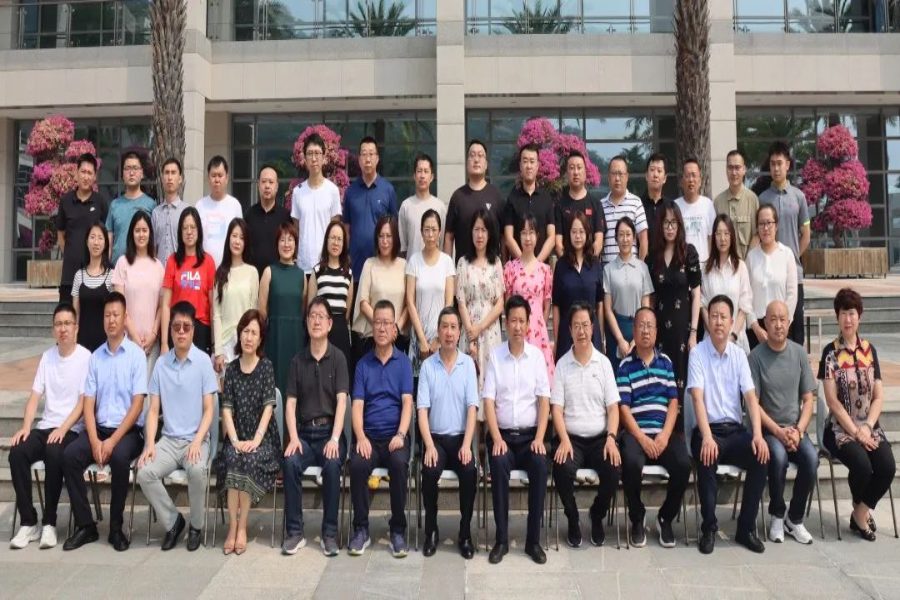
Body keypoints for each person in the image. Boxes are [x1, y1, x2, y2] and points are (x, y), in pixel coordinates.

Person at [62, 292, 147, 552]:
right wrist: (95, 440)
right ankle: (86, 525)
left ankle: (116, 528)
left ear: (125, 318)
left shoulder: (136, 356)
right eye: (107, 315)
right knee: (69, 456)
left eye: (116, 315)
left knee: (120, 459)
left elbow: (137, 405)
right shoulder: (96, 357)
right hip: (99, 429)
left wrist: (112, 441)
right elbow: (88, 404)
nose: (111, 320)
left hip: (128, 432)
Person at [688, 294, 769, 555]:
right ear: (707, 321)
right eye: (714, 316)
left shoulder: (739, 356)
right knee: (706, 455)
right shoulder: (697, 354)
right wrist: (707, 436)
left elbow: (751, 398)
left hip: (734, 431)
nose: (718, 322)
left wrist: (758, 434)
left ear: (732, 322)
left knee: (760, 457)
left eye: (723, 317)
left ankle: (745, 528)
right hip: (707, 429)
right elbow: (697, 398)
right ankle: (709, 528)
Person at [8, 303, 91, 550]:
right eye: (58, 324)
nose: (63, 329)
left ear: (76, 328)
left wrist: (63, 429)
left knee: (54, 452)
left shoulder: (85, 357)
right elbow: (35, 396)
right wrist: (26, 427)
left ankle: (49, 522)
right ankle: (29, 521)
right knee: (17, 452)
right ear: (53, 329)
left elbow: (83, 403)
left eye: (67, 324)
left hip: (72, 429)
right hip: (46, 426)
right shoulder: (47, 357)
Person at [136, 301, 217, 552]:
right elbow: (153, 411)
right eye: (176, 327)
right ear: (170, 330)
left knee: (197, 470)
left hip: (196, 438)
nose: (181, 332)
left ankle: (196, 526)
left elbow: (209, 410)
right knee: (144, 472)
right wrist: (150, 444)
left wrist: (198, 441)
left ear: (193, 330)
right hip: (169, 440)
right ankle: (173, 522)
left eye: (186, 327)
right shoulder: (161, 364)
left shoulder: (203, 362)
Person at [819, 288, 896, 541]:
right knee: (862, 465)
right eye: (843, 314)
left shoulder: (869, 350)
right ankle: (861, 516)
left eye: (852, 313)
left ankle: (860, 512)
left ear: (859, 316)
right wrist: (855, 432)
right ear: (837, 317)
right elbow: (832, 402)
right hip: (839, 429)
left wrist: (867, 427)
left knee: (887, 466)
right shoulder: (830, 353)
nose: (848, 319)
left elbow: (878, 397)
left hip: (869, 426)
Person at [483, 295, 551, 565]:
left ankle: (533, 541)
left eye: (522, 321)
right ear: (505, 323)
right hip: (502, 436)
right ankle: (501, 540)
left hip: (530, 436)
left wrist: (540, 438)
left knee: (540, 464)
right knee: (498, 463)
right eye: (513, 321)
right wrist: (496, 437)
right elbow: (488, 401)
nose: (518, 326)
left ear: (528, 323)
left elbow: (544, 401)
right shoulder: (495, 357)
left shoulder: (536, 358)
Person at [617, 308, 691, 548]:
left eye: (650, 326)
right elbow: (623, 408)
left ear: (657, 331)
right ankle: (637, 517)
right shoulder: (625, 365)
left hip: (662, 433)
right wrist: (642, 438)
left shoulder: (666, 363)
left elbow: (673, 402)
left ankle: (665, 517)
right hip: (635, 434)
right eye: (641, 325)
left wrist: (664, 435)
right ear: (634, 330)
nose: (645, 330)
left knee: (683, 464)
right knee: (630, 462)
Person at [282, 296, 349, 557]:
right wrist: (293, 437)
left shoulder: (338, 358)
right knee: (290, 462)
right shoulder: (297, 361)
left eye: (321, 316)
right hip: (305, 435)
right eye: (312, 316)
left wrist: (335, 439)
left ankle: (329, 533)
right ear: (307, 322)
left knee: (332, 465)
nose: (316, 321)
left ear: (330, 324)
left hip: (330, 433)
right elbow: (290, 404)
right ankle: (295, 532)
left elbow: (342, 402)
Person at [348, 300, 414, 558]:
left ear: (394, 327)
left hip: (395, 437)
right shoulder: (363, 364)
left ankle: (397, 529)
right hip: (370, 437)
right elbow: (357, 406)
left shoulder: (403, 363)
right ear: (372, 326)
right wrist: (360, 437)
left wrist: (401, 434)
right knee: (357, 464)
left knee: (398, 464)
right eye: (378, 323)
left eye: (387, 323)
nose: (382, 328)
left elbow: (407, 404)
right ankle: (361, 529)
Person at [552, 302, 621, 549]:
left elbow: (613, 408)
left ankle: (597, 514)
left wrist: (611, 438)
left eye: (585, 325)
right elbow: (556, 409)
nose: (581, 331)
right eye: (576, 326)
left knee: (614, 468)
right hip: (571, 438)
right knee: (561, 468)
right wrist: (564, 439)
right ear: (570, 330)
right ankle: (572, 517)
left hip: (600, 438)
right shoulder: (562, 365)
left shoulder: (603, 363)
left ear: (592, 328)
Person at [749, 300, 817, 545]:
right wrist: (778, 431)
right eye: (773, 320)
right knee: (777, 457)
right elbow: (754, 404)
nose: (778, 325)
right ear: (765, 323)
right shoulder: (755, 357)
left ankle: (794, 518)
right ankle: (777, 514)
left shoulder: (799, 353)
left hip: (795, 429)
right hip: (769, 430)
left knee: (811, 459)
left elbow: (808, 400)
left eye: (782, 319)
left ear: (789, 322)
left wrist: (798, 430)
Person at [417, 307, 479, 559]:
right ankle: (431, 530)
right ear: (438, 331)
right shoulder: (428, 366)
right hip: (437, 441)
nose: (449, 332)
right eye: (445, 327)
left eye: (454, 327)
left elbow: (472, 408)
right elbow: (422, 410)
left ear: (459, 332)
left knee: (469, 471)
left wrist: (467, 445)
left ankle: (465, 533)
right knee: (429, 471)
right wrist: (429, 446)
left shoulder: (468, 365)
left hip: (461, 439)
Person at [217, 309, 281, 556]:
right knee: (233, 458)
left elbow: (268, 408)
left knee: (250, 459)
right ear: (239, 334)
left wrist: (255, 440)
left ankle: (242, 526)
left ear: (260, 338)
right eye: (245, 331)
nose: (249, 337)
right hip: (236, 436)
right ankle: (232, 527)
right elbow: (226, 409)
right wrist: (234, 440)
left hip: (262, 440)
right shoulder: (231, 370)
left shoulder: (266, 367)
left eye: (254, 333)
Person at [648, 200, 701, 402]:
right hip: (660, 327)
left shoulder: (688, 252)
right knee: (660, 377)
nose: (670, 228)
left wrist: (693, 333)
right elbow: (650, 296)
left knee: (682, 378)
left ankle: (682, 421)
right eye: (666, 223)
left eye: (674, 223)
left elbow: (696, 295)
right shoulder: (654, 256)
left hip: (682, 330)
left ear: (679, 225)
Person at [759, 141, 810, 346]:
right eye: (772, 164)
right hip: (768, 276)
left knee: (795, 330)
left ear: (788, 165)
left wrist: (791, 258)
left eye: (780, 163)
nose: (776, 168)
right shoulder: (762, 198)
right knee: (771, 327)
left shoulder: (799, 197)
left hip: (794, 275)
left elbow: (806, 235)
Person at [456, 209, 504, 392]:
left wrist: (480, 327)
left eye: (484, 230)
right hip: (469, 332)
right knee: (469, 383)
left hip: (490, 332)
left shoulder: (496, 262)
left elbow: (500, 303)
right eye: (476, 229)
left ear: (489, 233)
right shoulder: (462, 263)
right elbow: (461, 302)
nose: (480, 235)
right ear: (471, 232)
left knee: (491, 384)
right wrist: (472, 333)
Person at [503, 213, 554, 384]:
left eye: (531, 233)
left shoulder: (545, 270)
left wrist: (539, 326)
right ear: (518, 236)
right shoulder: (510, 268)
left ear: (537, 236)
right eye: (523, 233)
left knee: (540, 382)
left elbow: (547, 305)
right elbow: (507, 303)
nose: (527, 238)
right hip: (517, 330)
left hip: (538, 332)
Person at [352, 216, 409, 368]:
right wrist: (382, 326)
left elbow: (409, 304)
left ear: (395, 238)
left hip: (398, 338)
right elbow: (363, 302)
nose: (384, 241)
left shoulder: (404, 265)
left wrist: (395, 328)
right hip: (372, 338)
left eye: (389, 236)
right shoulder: (369, 264)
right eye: (381, 236)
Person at [113, 211, 165, 375]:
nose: (141, 235)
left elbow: (161, 307)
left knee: (149, 389)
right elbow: (119, 306)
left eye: (144, 230)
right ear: (131, 234)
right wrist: (134, 337)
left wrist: (153, 335)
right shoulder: (122, 263)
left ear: (150, 233)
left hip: (152, 343)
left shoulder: (158, 266)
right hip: (127, 341)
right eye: (137, 230)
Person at [259, 222, 306, 399]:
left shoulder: (302, 275)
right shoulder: (269, 272)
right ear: (277, 244)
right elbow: (262, 312)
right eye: (282, 240)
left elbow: (303, 309)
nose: (286, 244)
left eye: (290, 239)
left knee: (295, 385)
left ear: (296, 244)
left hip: (295, 338)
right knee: (275, 385)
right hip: (275, 338)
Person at [344, 137, 398, 288]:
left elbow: (394, 228)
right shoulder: (350, 192)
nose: (367, 159)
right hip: (356, 266)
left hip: (382, 266)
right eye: (364, 154)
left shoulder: (388, 190)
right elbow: (346, 228)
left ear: (377, 159)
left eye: (371, 154)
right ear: (359, 160)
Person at [407, 209, 456, 376]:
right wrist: (422, 339)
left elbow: (449, 303)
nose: (430, 234)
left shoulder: (447, 262)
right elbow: (410, 302)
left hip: (442, 338)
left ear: (439, 232)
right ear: (421, 232)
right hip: (418, 338)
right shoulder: (414, 261)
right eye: (426, 229)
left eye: (434, 229)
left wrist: (437, 338)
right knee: (419, 385)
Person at [161, 208, 215, 355]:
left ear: (199, 230)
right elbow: (165, 304)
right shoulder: (173, 261)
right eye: (185, 228)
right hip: (178, 328)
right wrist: (164, 343)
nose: (189, 232)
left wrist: (214, 343)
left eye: (193, 227)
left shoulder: (208, 261)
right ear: (180, 232)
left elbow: (212, 306)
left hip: (201, 328)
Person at [56, 153, 109, 305]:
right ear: (76, 174)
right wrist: (71, 254)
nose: (86, 177)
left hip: (93, 276)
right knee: (66, 315)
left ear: (95, 176)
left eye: (90, 173)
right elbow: (61, 234)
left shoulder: (100, 202)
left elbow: (106, 236)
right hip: (69, 275)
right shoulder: (65, 201)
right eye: (83, 172)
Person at [603, 217, 653, 372]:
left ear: (634, 237)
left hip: (639, 330)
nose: (625, 239)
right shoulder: (608, 269)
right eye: (621, 235)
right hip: (616, 330)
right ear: (616, 238)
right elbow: (607, 309)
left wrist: (637, 338)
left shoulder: (642, 268)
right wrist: (620, 339)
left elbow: (646, 306)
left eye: (628, 234)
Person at [552, 212, 604, 361]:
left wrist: (601, 337)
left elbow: (599, 304)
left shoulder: (595, 264)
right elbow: (556, 307)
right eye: (574, 232)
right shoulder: (561, 265)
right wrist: (556, 340)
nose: (578, 236)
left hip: (591, 333)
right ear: (568, 234)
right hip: (567, 334)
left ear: (587, 234)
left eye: (581, 231)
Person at [746, 205, 797, 351]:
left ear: (776, 226)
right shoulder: (751, 257)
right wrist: (756, 327)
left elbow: (792, 294)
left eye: (769, 223)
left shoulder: (787, 254)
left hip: (782, 327)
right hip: (757, 329)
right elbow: (746, 296)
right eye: (761, 224)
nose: (765, 228)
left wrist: (783, 324)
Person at [443, 139, 504, 262]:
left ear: (486, 164)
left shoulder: (495, 195)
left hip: (491, 268)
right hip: (464, 269)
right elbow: (449, 237)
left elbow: (503, 236)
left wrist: (503, 264)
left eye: (480, 155)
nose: (476, 160)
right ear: (467, 163)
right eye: (472, 155)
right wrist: (448, 269)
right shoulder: (457, 197)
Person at [291, 133, 342, 276]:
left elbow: (335, 229)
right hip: (303, 265)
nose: (314, 159)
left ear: (324, 157)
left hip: (326, 264)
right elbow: (296, 229)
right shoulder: (297, 192)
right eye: (310, 154)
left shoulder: (332, 191)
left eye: (317, 153)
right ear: (304, 158)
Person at [213, 218, 260, 375]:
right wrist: (218, 351)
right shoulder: (220, 273)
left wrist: (251, 340)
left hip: (246, 342)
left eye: (241, 237)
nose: (237, 241)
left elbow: (254, 312)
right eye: (234, 236)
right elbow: (216, 315)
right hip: (225, 345)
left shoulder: (252, 272)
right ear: (228, 239)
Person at [701, 214, 753, 355]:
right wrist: (713, 334)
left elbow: (745, 305)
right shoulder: (706, 269)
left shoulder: (740, 267)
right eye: (718, 234)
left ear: (732, 236)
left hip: (736, 340)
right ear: (713, 237)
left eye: (726, 233)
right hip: (711, 340)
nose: (722, 238)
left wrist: (732, 336)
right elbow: (703, 304)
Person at [308, 221, 353, 365]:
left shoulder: (348, 274)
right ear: (326, 240)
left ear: (344, 244)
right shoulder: (317, 272)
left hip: (340, 330)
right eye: (332, 238)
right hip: (320, 331)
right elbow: (310, 308)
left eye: (339, 239)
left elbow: (347, 312)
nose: (336, 243)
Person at [504, 144, 555, 262]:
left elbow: (551, 237)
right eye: (525, 161)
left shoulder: (546, 198)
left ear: (537, 166)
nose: (529, 166)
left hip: (542, 266)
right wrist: (524, 264)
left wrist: (536, 265)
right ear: (520, 166)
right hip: (518, 268)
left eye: (532, 161)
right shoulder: (512, 199)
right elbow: (508, 237)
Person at [106, 151, 156, 265]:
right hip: (116, 267)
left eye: (135, 168)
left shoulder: (150, 204)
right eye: (127, 168)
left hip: (142, 267)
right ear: (123, 174)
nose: (131, 172)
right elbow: (109, 241)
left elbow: (153, 240)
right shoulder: (115, 205)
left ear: (142, 174)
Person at [72, 222, 114, 352]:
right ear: (86, 241)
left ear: (105, 243)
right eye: (92, 237)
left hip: (105, 344)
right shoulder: (79, 275)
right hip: (82, 343)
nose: (96, 242)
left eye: (100, 238)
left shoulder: (111, 275)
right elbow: (76, 312)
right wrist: (74, 338)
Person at [555, 151, 605, 259]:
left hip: (590, 264)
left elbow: (599, 241)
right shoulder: (560, 205)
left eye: (579, 167)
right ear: (567, 173)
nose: (576, 172)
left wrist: (586, 263)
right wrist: (570, 264)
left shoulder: (596, 204)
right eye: (572, 168)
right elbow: (558, 244)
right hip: (567, 265)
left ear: (585, 172)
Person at [196, 156, 243, 268]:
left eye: (220, 175)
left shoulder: (234, 205)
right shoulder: (200, 205)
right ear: (208, 178)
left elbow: (241, 238)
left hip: (230, 268)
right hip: (204, 268)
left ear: (227, 178)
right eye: (213, 175)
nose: (216, 180)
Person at [245, 164, 291, 278]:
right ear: (258, 185)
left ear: (277, 187)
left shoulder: (285, 216)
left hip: (278, 277)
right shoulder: (249, 215)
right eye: (264, 181)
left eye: (271, 182)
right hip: (253, 277)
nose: (267, 186)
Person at [601, 155, 648, 263]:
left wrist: (639, 267)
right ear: (608, 177)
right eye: (614, 174)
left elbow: (644, 241)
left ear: (627, 177)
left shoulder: (636, 203)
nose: (617, 178)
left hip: (631, 269)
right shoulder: (600, 205)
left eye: (620, 174)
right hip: (606, 269)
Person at [713, 150, 759, 259]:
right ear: (726, 170)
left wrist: (747, 262)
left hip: (747, 263)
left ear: (744, 169)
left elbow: (757, 235)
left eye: (737, 168)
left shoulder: (752, 199)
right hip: (724, 265)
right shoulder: (718, 201)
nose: (734, 172)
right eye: (730, 168)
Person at [398, 153, 445, 259]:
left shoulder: (440, 207)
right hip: (412, 267)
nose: (422, 176)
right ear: (414, 176)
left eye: (426, 171)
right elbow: (403, 248)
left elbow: (442, 243)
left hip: (435, 266)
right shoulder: (406, 206)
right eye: (419, 171)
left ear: (431, 177)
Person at [674, 158, 716, 267]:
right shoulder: (675, 206)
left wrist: (711, 264)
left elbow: (711, 237)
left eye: (694, 175)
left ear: (700, 180)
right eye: (687, 176)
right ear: (682, 181)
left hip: (704, 266)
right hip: (681, 266)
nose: (691, 180)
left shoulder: (708, 205)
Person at [151, 157, 187, 268]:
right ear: (162, 179)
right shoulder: (156, 213)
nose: (170, 177)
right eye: (166, 173)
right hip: (160, 272)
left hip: (181, 271)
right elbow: (153, 248)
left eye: (173, 173)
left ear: (180, 178)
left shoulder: (187, 211)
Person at [641, 153, 669, 245]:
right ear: (646, 176)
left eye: (659, 171)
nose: (655, 175)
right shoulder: (637, 205)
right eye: (652, 170)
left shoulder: (671, 207)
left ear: (664, 178)